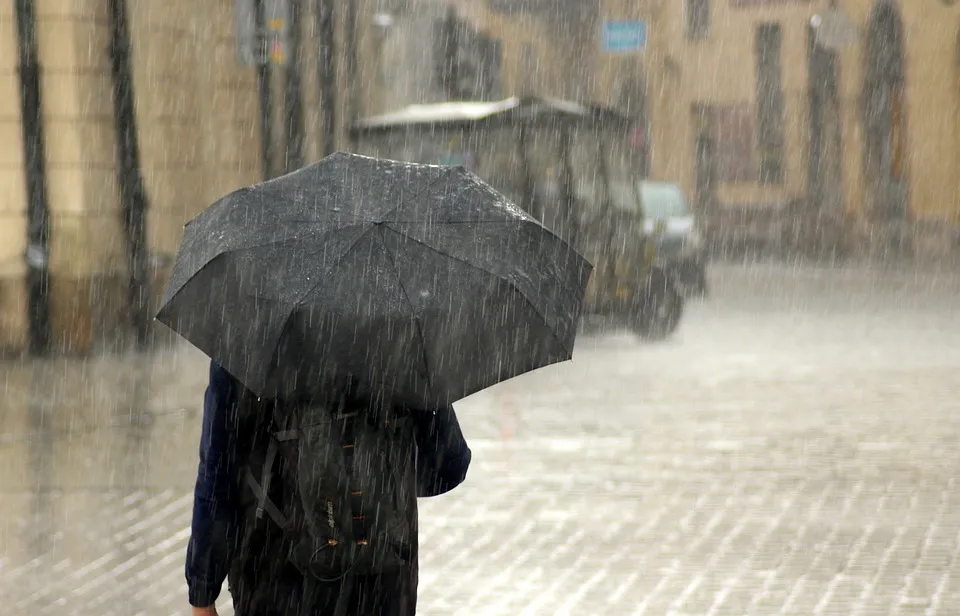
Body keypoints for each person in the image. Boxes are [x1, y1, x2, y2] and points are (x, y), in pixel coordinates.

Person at [186, 361, 472, 615]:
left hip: (275, 573)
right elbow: (449, 465)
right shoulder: (400, 332)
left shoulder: (249, 334)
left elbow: (218, 471)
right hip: (382, 573)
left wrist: (203, 588)